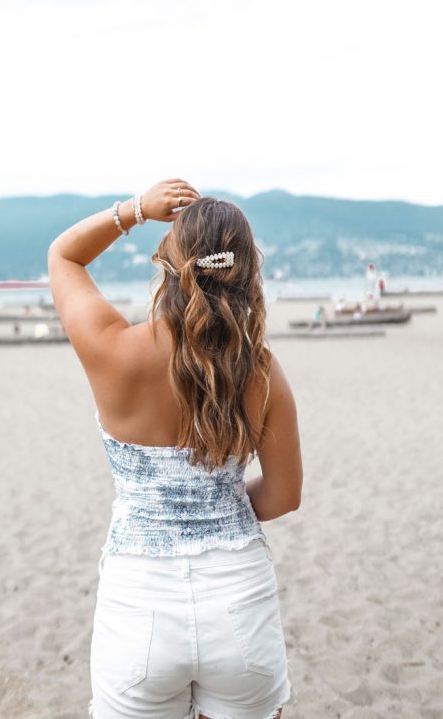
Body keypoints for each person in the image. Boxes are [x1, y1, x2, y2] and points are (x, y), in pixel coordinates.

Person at [48, 178, 303, 719]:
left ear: (169, 265)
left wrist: (136, 210)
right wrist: (215, 507)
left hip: (138, 605)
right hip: (239, 603)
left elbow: (64, 257)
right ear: (246, 274)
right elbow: (283, 496)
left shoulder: (114, 350)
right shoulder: (260, 371)